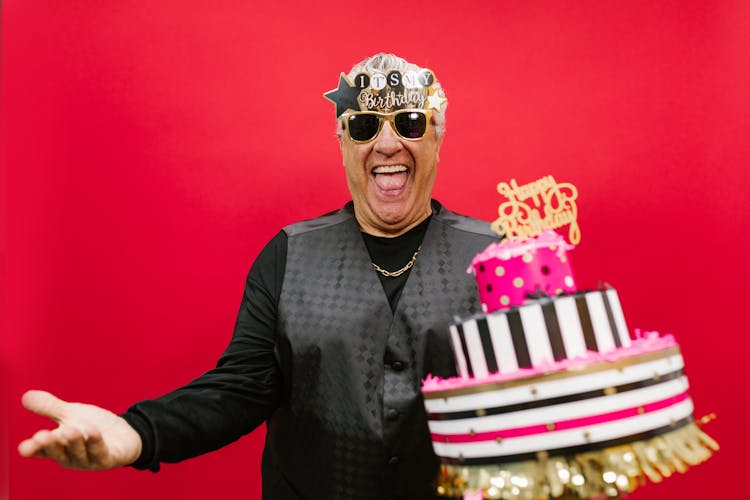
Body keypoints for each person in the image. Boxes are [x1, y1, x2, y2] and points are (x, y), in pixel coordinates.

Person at [18, 53, 499, 499]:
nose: (387, 143)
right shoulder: (289, 253)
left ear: (436, 138)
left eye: (411, 124)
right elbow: (241, 388)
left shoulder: (496, 255)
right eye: (366, 126)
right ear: (342, 141)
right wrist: (137, 432)